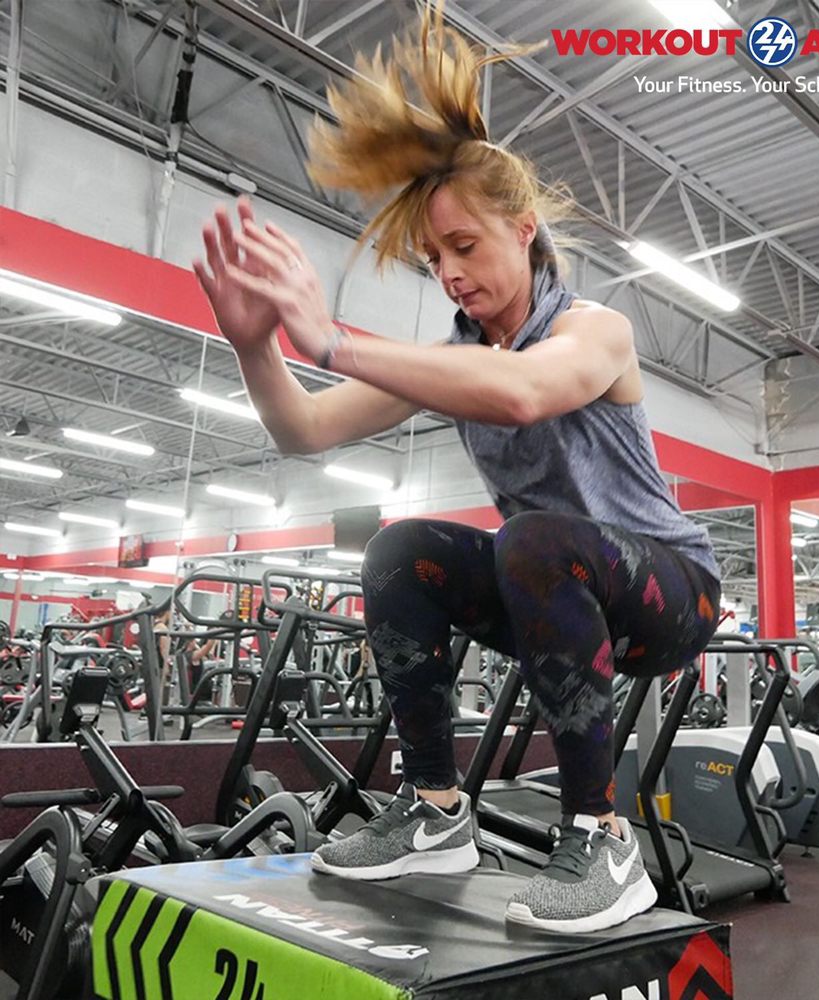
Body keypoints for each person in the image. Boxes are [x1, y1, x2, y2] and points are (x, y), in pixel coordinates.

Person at [193, 2, 720, 934]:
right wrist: (254, 347)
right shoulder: (456, 357)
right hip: (550, 586)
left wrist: (335, 339)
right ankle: (435, 811)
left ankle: (601, 838)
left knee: (533, 538)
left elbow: (524, 393)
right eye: (434, 256)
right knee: (400, 551)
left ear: (523, 229)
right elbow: (304, 429)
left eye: (465, 247)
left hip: (672, 595)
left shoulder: (596, 331)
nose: (449, 272)